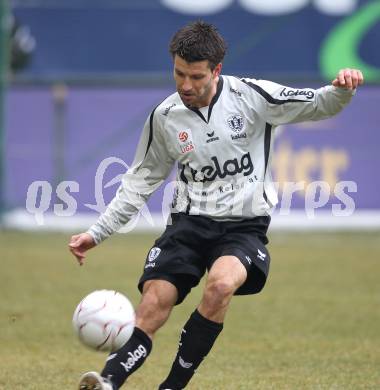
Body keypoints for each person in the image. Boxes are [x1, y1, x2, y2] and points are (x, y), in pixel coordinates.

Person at [69, 21, 364, 390]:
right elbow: (139, 182)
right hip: (188, 226)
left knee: (221, 285)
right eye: (179, 74)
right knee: (153, 302)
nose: (185, 86)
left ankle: (172, 386)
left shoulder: (252, 96)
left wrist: (343, 87)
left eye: (195, 76)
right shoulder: (165, 117)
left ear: (217, 70)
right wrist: (97, 233)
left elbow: (318, 103)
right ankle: (108, 382)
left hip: (243, 228)